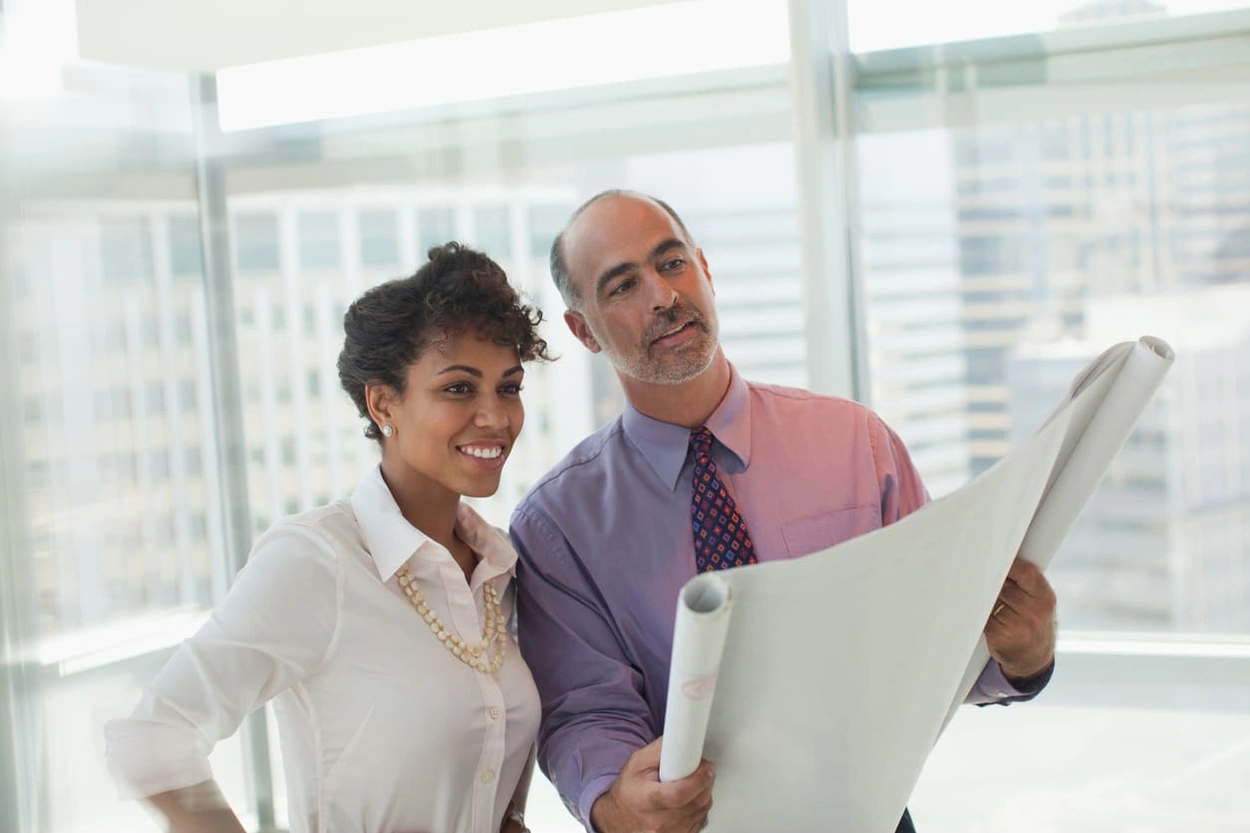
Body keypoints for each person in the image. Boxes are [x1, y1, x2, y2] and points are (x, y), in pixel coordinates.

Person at [508, 191, 1058, 833]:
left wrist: (1024, 656)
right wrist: (612, 804)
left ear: (705, 270)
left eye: (672, 263)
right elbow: (585, 711)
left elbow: (940, 638)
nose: (661, 295)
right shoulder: (557, 525)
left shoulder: (855, 442)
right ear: (584, 331)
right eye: (623, 285)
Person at [106, 243, 553, 833]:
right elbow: (151, 738)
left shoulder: (499, 566)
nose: (495, 417)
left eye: (509, 387)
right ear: (383, 401)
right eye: (458, 389)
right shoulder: (315, 560)